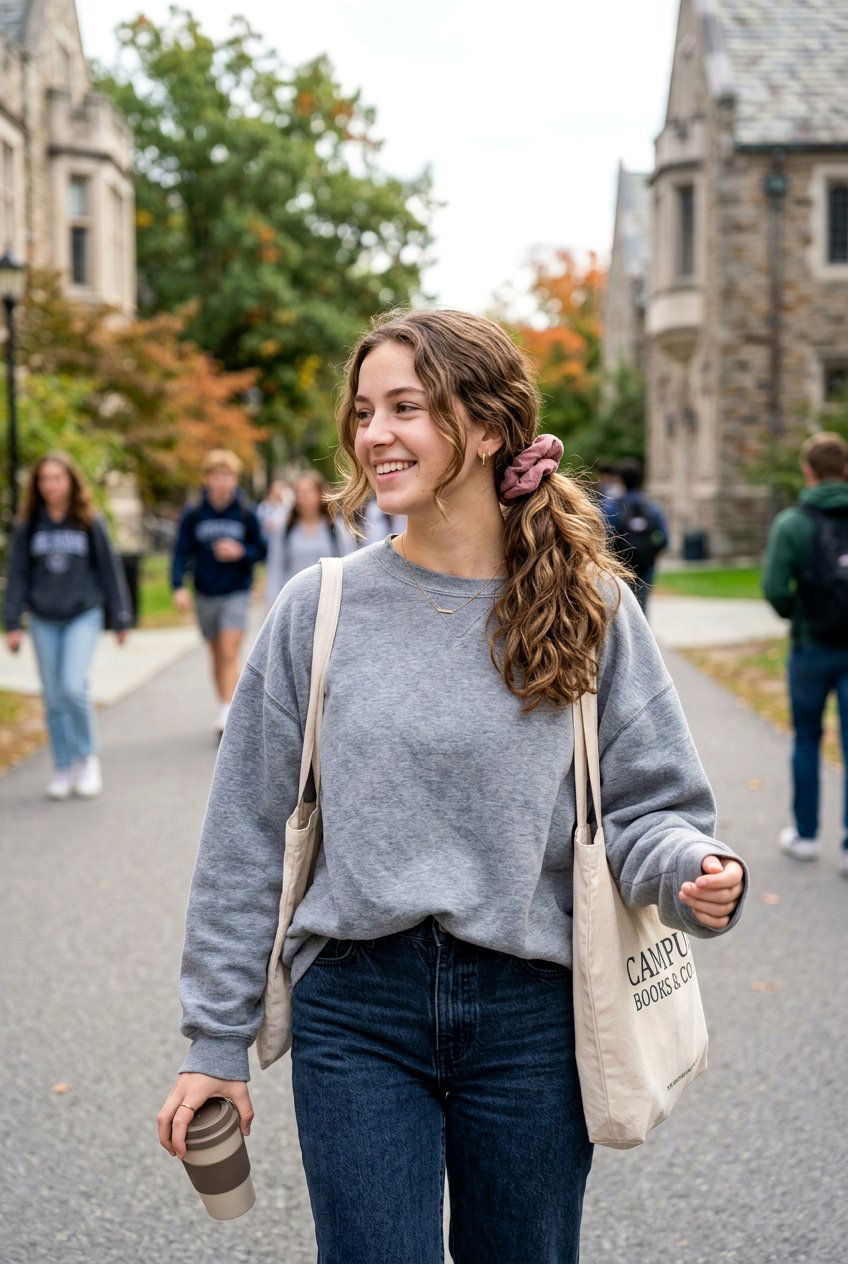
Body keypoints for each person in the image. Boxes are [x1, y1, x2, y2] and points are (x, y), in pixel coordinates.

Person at [158, 310, 748, 1263]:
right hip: (356, 1013)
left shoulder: (589, 605)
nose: (375, 434)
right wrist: (214, 1045)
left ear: (483, 428)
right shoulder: (319, 609)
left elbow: (647, 804)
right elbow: (248, 838)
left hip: (532, 1015)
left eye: (407, 407)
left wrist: (692, 867)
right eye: (364, 411)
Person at [2, 451, 131, 799]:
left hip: (82, 614)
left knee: (74, 688)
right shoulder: (30, 525)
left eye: (57, 478)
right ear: (38, 485)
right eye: (44, 479)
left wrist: (120, 616)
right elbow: (18, 576)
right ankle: (64, 766)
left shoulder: (89, 520)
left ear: (70, 481)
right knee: (54, 696)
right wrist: (11, 621)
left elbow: (109, 570)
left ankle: (87, 758)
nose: (51, 485)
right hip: (43, 618)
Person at [762, 430, 848, 876]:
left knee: (807, 739)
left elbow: (775, 589)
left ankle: (806, 835)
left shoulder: (793, 523)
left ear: (808, 472)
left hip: (810, 646)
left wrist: (800, 613)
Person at [171, 449, 266, 737]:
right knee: (215, 654)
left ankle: (229, 714)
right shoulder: (194, 514)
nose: (222, 481)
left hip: (236, 590)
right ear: (207, 479)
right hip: (205, 592)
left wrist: (241, 552)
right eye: (216, 475)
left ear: (234, 479)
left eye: (227, 475)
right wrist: (178, 587)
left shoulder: (246, 514)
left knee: (228, 652)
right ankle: (224, 705)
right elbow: (180, 552)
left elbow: (262, 550)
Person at [263, 469, 356, 608]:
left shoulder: (336, 528)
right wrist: (272, 604)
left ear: (319, 494)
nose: (303, 497)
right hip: (293, 603)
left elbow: (349, 564)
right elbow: (275, 567)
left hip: (328, 603)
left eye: (308, 492)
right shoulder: (285, 528)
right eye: (299, 493)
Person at [607, 457, 669, 614]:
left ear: (620, 480)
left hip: (619, 568)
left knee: (620, 613)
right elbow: (665, 539)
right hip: (645, 568)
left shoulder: (612, 507)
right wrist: (650, 554)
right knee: (642, 610)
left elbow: (605, 538)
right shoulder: (652, 508)